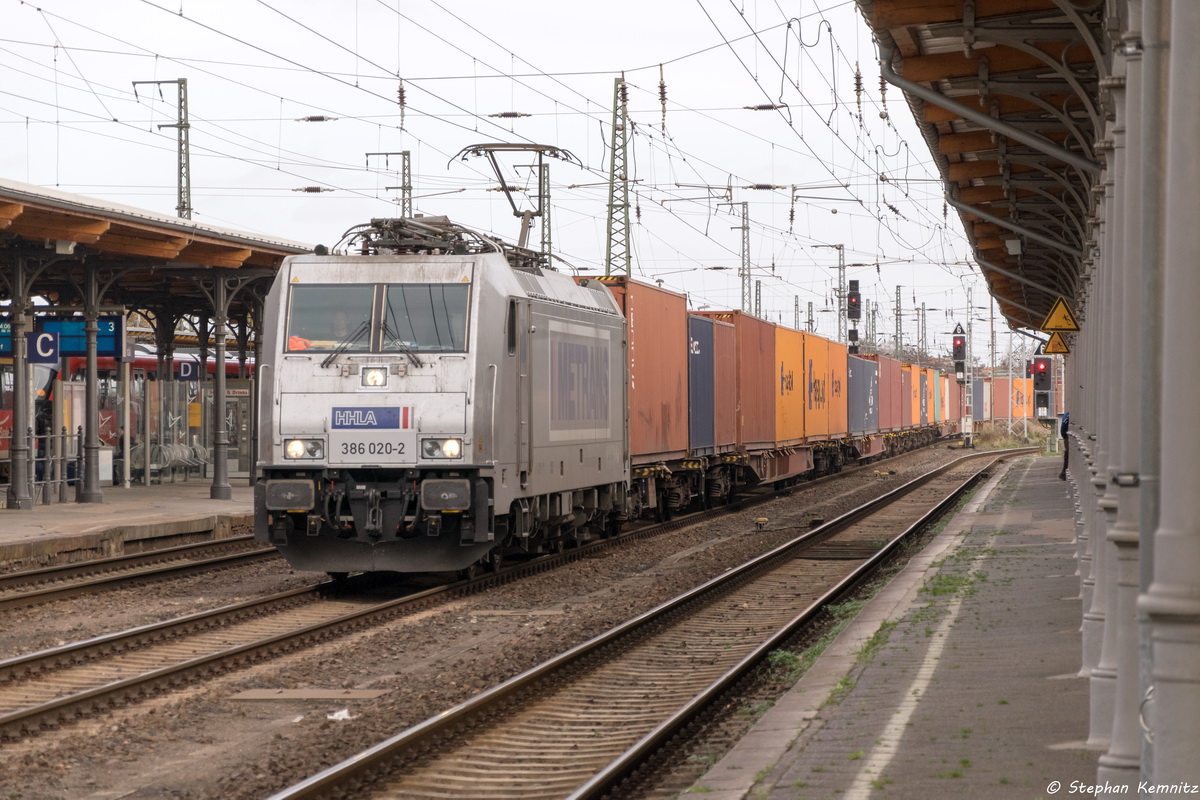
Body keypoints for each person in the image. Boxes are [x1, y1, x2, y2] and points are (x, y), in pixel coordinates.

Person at [1058, 411, 1069, 480]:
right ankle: (1064, 472)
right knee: (1068, 455)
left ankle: (1064, 472)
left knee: (1067, 456)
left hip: (1067, 437)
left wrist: (1065, 436)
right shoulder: (1068, 415)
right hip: (1068, 436)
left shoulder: (1067, 415)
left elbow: (1063, 428)